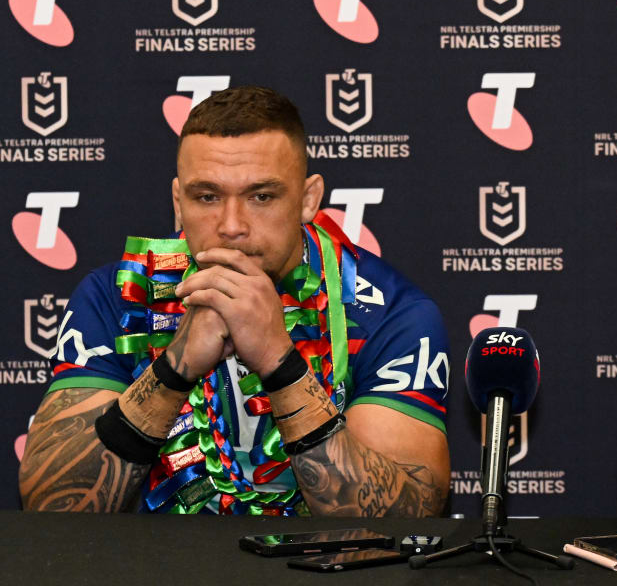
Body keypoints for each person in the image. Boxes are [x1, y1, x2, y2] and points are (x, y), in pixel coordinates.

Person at [19, 86, 451, 516]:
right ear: (177, 202)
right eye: (206, 197)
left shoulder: (393, 314)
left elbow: (402, 521)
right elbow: (55, 509)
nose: (231, 226)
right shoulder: (116, 298)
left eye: (261, 197)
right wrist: (173, 369)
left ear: (308, 200)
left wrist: (280, 364)